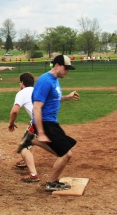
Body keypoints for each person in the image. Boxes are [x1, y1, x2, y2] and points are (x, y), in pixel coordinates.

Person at [32, 55, 80, 192]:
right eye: (66, 68)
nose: (67, 71)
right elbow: (36, 107)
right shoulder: (45, 81)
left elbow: (53, 99)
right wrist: (41, 132)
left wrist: (67, 98)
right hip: (45, 123)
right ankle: (51, 183)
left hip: (51, 122)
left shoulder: (54, 80)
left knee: (63, 151)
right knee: (66, 154)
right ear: (57, 65)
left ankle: (33, 140)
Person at [7, 72, 40, 182]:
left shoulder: (22, 93)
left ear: (22, 83)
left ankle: (34, 174)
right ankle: (25, 160)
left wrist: (11, 123)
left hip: (39, 122)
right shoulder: (38, 90)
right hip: (49, 120)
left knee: (23, 147)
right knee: (30, 138)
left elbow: (15, 111)